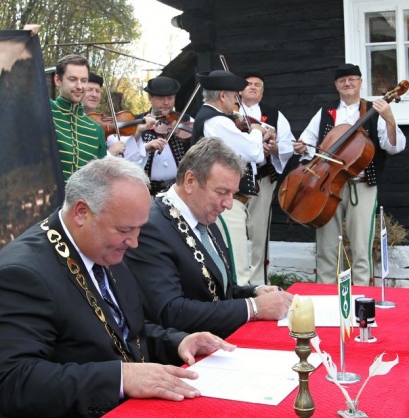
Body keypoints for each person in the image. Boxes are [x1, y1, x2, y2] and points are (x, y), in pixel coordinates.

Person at [0, 157, 235, 418]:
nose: (134, 242)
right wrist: (121, 377)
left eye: (139, 229)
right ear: (82, 212)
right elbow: (15, 381)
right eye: (125, 229)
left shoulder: (104, 249)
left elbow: (125, 332)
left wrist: (178, 342)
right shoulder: (20, 275)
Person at [124, 137, 293, 338]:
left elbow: (219, 292)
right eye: (222, 192)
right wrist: (253, 307)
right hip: (182, 358)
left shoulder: (203, 215)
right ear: (190, 181)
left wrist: (256, 291)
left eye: (233, 194)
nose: (229, 204)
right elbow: (169, 312)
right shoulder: (152, 227)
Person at [293, 63, 406, 285]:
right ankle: (325, 293)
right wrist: (301, 147)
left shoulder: (375, 110)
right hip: (328, 185)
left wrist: (390, 119)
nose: (348, 83)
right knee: (326, 246)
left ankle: (362, 296)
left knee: (361, 246)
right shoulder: (325, 113)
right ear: (336, 85)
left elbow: (394, 146)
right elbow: (306, 142)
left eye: (352, 79)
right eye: (342, 80)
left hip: (361, 185)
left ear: (360, 83)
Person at [191, 70, 273, 285]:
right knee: (237, 266)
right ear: (223, 96)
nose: (237, 103)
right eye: (235, 97)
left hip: (228, 201)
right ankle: (244, 310)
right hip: (225, 203)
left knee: (235, 260)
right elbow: (254, 152)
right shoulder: (217, 121)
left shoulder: (216, 119)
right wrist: (255, 130)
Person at [239, 72, 295, 285]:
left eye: (258, 85)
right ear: (239, 91)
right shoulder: (230, 113)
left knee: (259, 230)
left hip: (261, 178)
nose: (253, 87)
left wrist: (275, 148)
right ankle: (236, 279)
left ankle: (258, 281)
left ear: (262, 93)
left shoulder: (273, 114)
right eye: (248, 84)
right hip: (232, 179)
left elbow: (289, 143)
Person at [50, 54, 107, 180]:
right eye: (72, 79)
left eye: (84, 80)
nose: (79, 86)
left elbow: (98, 180)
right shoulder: (45, 110)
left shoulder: (96, 130)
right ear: (58, 80)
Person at [133, 76, 193, 195]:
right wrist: (144, 146)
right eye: (161, 98)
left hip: (179, 191)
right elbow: (126, 155)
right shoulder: (137, 122)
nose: (166, 103)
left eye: (170, 98)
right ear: (150, 98)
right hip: (146, 192)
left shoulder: (185, 120)